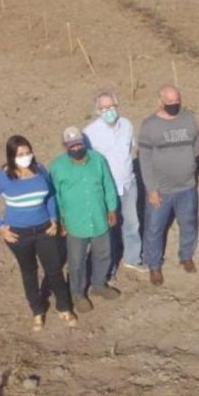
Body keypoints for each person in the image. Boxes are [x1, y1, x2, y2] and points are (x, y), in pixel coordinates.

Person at [0, 135, 76, 331]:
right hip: (18, 234)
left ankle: (64, 307)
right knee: (29, 272)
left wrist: (53, 218)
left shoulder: (40, 169)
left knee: (54, 270)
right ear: (11, 156)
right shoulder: (2, 176)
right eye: (20, 154)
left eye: (28, 152)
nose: (25, 157)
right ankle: (37, 310)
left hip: (44, 229)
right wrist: (0, 227)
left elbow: (50, 195)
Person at [139, 85, 199, 286]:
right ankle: (154, 266)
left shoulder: (188, 118)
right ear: (160, 101)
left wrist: (188, 164)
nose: (174, 105)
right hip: (161, 190)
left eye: (177, 101)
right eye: (170, 102)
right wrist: (151, 189)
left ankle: (186, 256)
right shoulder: (150, 125)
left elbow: (196, 144)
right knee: (154, 229)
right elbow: (145, 160)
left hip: (186, 186)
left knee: (188, 224)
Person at [51, 126, 120, 308]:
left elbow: (108, 184)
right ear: (65, 146)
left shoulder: (98, 160)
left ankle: (99, 284)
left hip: (99, 217)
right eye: (71, 146)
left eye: (78, 144)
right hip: (75, 222)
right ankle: (78, 294)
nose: (76, 149)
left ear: (83, 143)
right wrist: (61, 220)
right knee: (77, 261)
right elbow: (56, 195)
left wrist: (111, 209)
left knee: (103, 254)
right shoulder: (58, 166)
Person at [83, 90, 145, 275]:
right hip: (106, 188)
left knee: (132, 224)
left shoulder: (126, 125)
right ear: (97, 111)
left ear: (117, 107)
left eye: (111, 107)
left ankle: (133, 258)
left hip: (128, 184)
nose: (108, 111)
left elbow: (129, 150)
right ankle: (107, 268)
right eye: (103, 108)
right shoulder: (89, 134)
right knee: (108, 230)